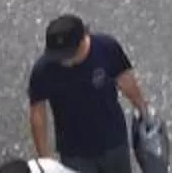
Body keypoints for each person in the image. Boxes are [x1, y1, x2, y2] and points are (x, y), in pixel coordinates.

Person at [25, 13, 146, 173]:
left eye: (67, 54)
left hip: (113, 141)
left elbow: (125, 81)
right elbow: (38, 114)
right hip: (74, 152)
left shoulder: (106, 48)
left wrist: (144, 111)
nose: (62, 60)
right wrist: (44, 159)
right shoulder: (44, 69)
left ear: (83, 40)